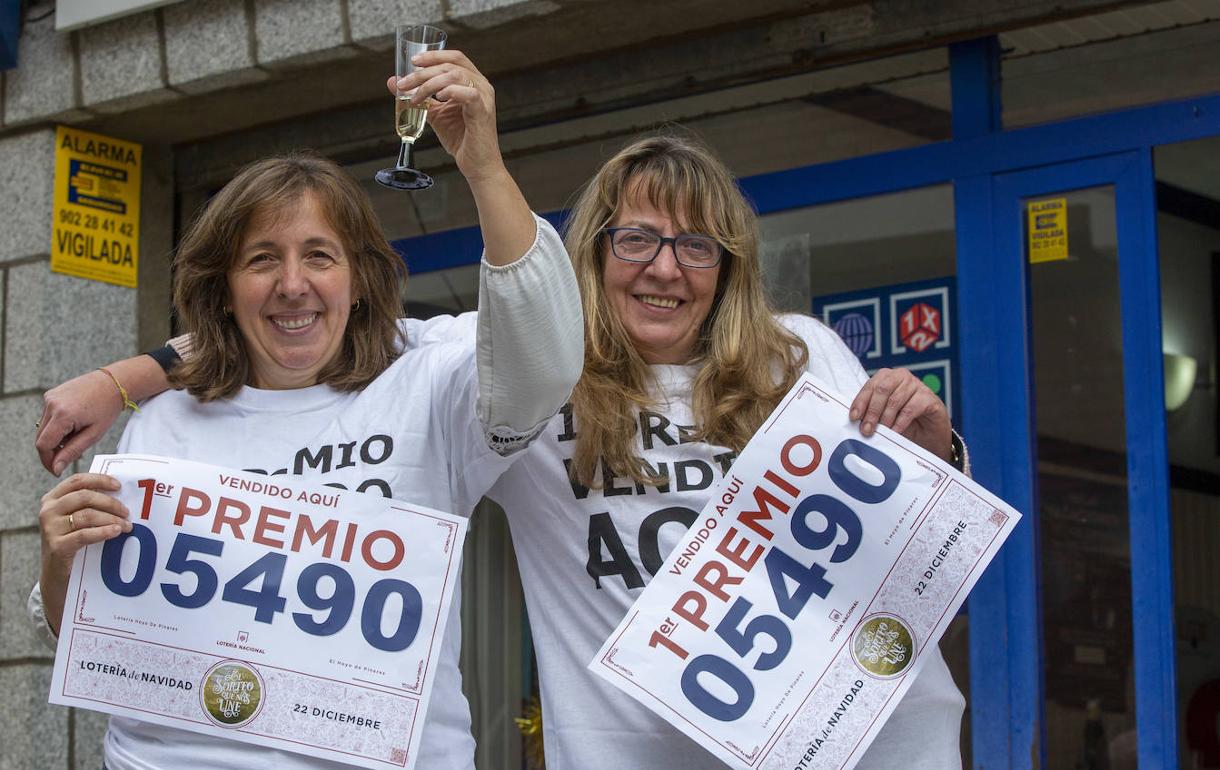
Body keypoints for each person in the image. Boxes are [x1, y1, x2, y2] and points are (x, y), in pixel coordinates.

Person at [39, 134, 967, 768]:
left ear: (729, 265)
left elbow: (916, 554)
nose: (664, 266)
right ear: (589, 254)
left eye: (697, 245)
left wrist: (941, 454)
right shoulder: (521, 372)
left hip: (866, 740)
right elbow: (314, 324)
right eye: (636, 237)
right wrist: (130, 379)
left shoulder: (800, 352)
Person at [29, 50, 583, 770]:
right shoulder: (163, 422)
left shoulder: (429, 387)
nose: (293, 284)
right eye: (262, 260)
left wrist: (484, 168)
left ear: (358, 279)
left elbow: (541, 357)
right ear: (224, 286)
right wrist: (59, 559)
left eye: (319, 256)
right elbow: (88, 633)